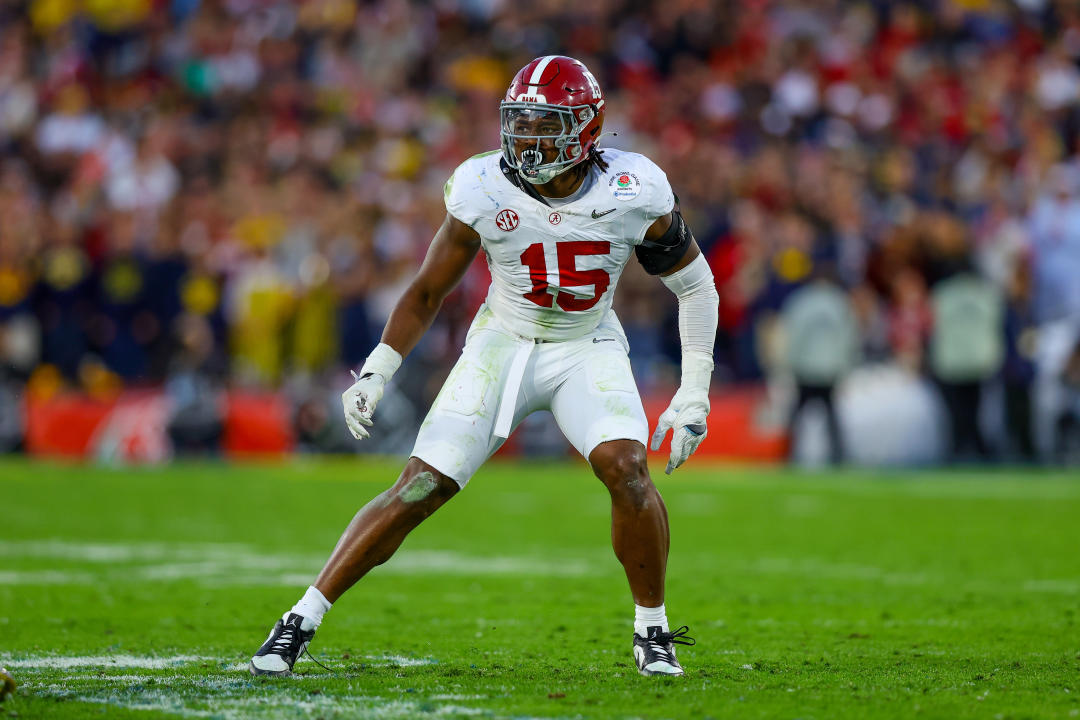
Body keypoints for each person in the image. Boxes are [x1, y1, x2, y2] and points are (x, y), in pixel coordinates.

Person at [249, 56, 719, 678]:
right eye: (520, 122)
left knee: (628, 470)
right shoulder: (482, 185)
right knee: (420, 486)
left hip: (586, 343)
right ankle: (299, 620)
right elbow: (426, 291)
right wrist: (376, 369)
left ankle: (652, 630)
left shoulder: (635, 189)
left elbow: (696, 287)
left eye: (545, 124)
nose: (527, 138)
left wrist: (694, 393)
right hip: (502, 341)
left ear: (586, 128)